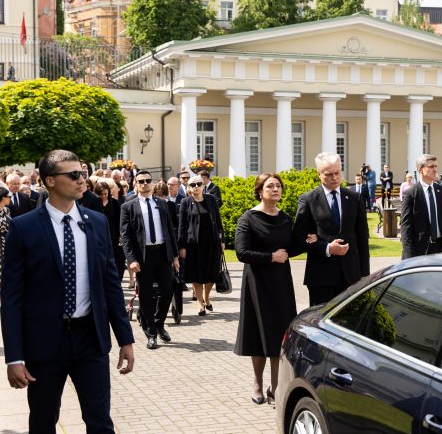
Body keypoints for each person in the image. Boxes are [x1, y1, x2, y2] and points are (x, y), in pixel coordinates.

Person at [1, 150, 137, 434]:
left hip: (90, 340)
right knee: (44, 422)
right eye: (74, 174)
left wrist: (124, 337)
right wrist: (15, 356)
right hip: (44, 344)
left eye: (85, 173)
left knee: (101, 425)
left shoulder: (95, 222)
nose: (83, 180)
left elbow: (110, 282)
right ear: (48, 181)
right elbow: (12, 296)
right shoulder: (24, 227)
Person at [235, 173, 306, 405]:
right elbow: (241, 253)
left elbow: (290, 247)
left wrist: (309, 242)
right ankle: (257, 382)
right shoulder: (249, 218)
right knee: (259, 333)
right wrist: (270, 257)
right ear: (259, 190)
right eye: (270, 186)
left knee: (280, 334)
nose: (275, 189)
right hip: (258, 282)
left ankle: (276, 387)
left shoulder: (285, 218)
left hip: (281, 282)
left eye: (278, 186)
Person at [292, 152, 370, 302]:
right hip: (321, 276)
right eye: (329, 174)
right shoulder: (308, 199)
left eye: (337, 173)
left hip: (351, 275)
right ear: (319, 174)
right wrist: (326, 248)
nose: (335, 178)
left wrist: (364, 274)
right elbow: (298, 238)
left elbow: (362, 237)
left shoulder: (354, 198)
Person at [120, 170, 181, 347]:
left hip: (163, 254)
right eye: (141, 181)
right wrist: (131, 259)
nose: (145, 183)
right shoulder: (128, 207)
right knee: (146, 295)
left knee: (168, 290)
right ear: (136, 184)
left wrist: (175, 255)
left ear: (152, 184)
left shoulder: (162, 204)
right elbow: (125, 236)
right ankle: (151, 333)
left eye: (148, 180)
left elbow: (170, 230)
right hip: (143, 256)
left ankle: (159, 323)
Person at [178, 175, 224, 315]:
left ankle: (206, 297)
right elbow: (182, 226)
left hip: (212, 243)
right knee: (196, 275)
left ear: (203, 186)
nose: (196, 186)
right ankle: (200, 304)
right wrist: (182, 246)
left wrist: (222, 241)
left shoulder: (210, 200)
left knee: (212, 273)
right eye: (193, 185)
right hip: (193, 245)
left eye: (199, 184)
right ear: (189, 189)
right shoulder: (186, 202)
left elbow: (218, 221)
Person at [400, 154, 442, 259]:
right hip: (420, 251)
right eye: (431, 166)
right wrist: (409, 258)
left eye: (436, 166)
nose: (435, 170)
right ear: (420, 169)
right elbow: (406, 228)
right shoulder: (411, 194)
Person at [97, 182, 126, 285]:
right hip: (99, 237)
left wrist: (120, 235)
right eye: (101, 194)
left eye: (105, 193)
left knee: (118, 260)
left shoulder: (114, 203)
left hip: (113, 236)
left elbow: (120, 220)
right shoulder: (96, 203)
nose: (104, 196)